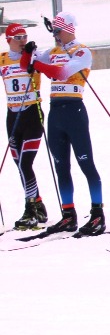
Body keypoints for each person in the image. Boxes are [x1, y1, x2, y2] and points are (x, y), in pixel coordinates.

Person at [29, 12, 105, 236]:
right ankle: (68, 214)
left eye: (59, 31)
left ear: (69, 29)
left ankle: (98, 214)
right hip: (55, 113)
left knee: (86, 163)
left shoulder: (82, 51)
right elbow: (28, 64)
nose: (56, 35)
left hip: (74, 111)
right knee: (61, 165)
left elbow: (60, 73)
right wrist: (29, 52)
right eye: (54, 31)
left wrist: (37, 63)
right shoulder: (52, 52)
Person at [2, 23, 47, 229]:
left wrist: (32, 57)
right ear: (8, 39)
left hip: (32, 114)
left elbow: (48, 66)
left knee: (25, 164)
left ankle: (30, 210)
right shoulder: (2, 59)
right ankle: (38, 205)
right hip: (12, 116)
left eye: (24, 36)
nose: (22, 40)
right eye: (17, 37)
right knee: (20, 165)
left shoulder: (32, 55)